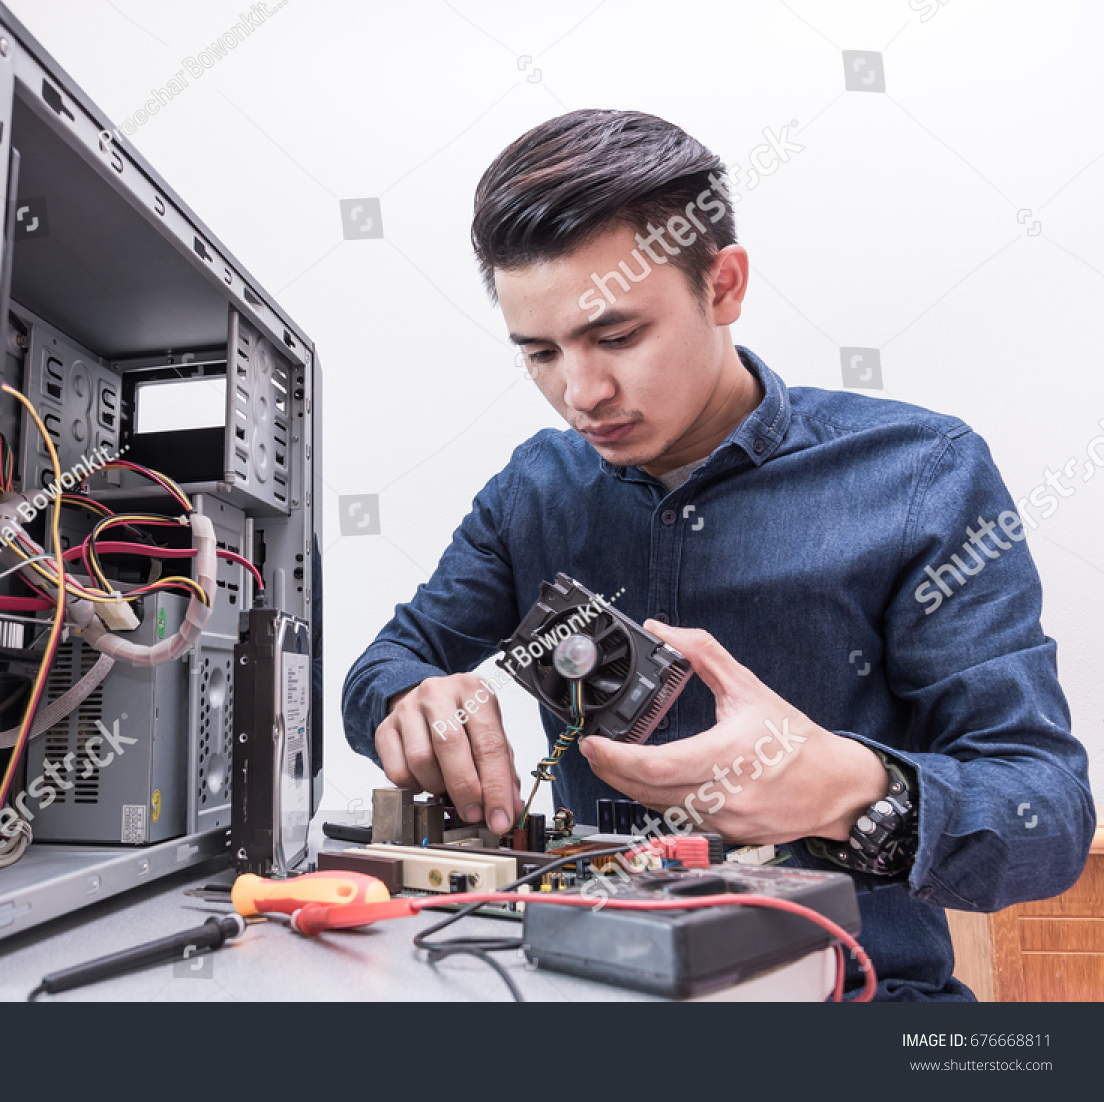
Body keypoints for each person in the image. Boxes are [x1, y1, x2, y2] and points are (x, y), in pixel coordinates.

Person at [340, 109, 1095, 1000]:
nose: (581, 394)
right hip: (589, 991)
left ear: (724, 285)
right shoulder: (537, 489)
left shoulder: (921, 476)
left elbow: (1045, 814)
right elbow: (382, 668)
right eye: (540, 352)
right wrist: (413, 701)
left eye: (617, 337)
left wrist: (851, 788)